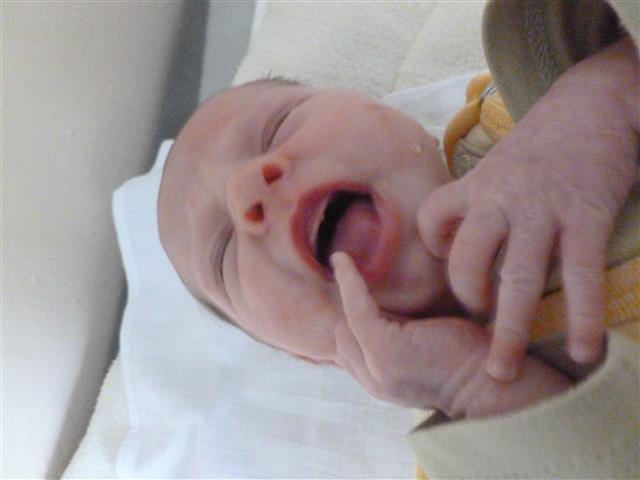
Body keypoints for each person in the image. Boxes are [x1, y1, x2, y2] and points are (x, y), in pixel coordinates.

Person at [157, 0, 639, 477]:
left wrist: (608, 94)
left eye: (275, 128)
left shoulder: (520, 106)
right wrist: (469, 384)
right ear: (307, 356)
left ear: (383, 109)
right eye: (224, 254)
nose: (247, 190)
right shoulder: (467, 452)